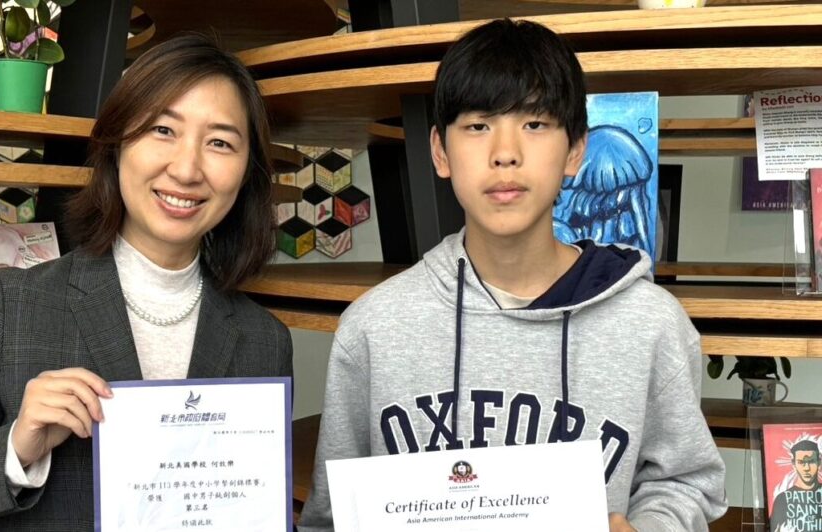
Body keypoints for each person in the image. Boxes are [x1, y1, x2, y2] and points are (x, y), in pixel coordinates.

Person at [298, 18, 726, 532]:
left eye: (535, 124)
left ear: (575, 150)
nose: (505, 153)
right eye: (478, 126)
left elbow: (685, 482)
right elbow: (332, 517)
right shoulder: (374, 327)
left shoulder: (650, 324)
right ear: (440, 151)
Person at [0, 34, 293, 531]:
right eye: (163, 129)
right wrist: (17, 446)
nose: (186, 169)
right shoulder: (13, 305)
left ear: (246, 173)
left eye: (220, 142)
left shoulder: (264, 339)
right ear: (117, 145)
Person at [770, 439, 821, 531]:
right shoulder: (782, 499)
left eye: (811, 461)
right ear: (794, 465)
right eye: (801, 462)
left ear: (819, 462)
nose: (806, 468)